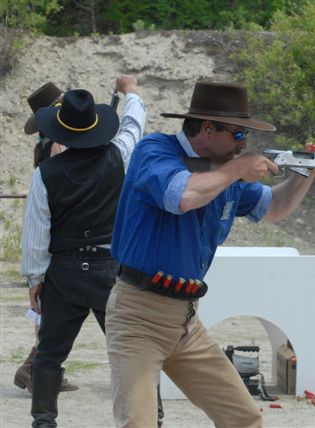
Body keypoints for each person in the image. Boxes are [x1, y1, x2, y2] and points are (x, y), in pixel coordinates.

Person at [106, 80, 315, 427]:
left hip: (186, 320)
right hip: (138, 315)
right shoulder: (155, 151)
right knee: (138, 423)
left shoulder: (224, 173)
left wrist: (306, 174)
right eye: (239, 134)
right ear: (208, 129)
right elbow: (181, 197)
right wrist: (237, 169)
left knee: (244, 418)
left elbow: (275, 207)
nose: (244, 144)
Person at [20, 76, 163, 427]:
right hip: (110, 268)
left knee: (50, 354)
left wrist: (35, 277)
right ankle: (153, 417)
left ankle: (43, 421)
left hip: (64, 271)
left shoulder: (46, 173)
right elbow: (133, 125)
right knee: (132, 352)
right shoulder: (119, 155)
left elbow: (37, 231)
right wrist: (132, 93)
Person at [15, 82, 79, 395]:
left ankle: (40, 368)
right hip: (59, 231)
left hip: (54, 228)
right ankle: (34, 368)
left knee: (55, 308)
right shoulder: (56, 143)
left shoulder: (47, 141)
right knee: (55, 309)